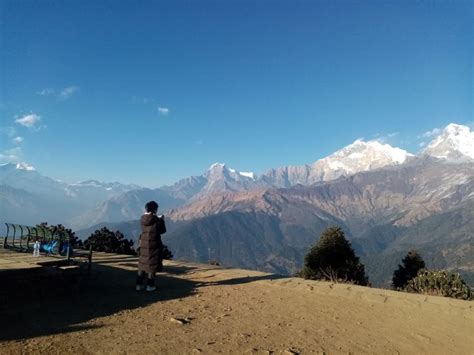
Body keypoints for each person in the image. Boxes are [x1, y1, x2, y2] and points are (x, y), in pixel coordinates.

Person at [136, 200, 166, 292]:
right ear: (155, 209)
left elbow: (149, 223)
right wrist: (161, 220)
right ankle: (150, 285)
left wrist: (157, 218)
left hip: (144, 244)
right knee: (151, 265)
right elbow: (162, 230)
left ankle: (139, 285)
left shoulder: (143, 218)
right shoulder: (157, 220)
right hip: (154, 244)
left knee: (142, 264)